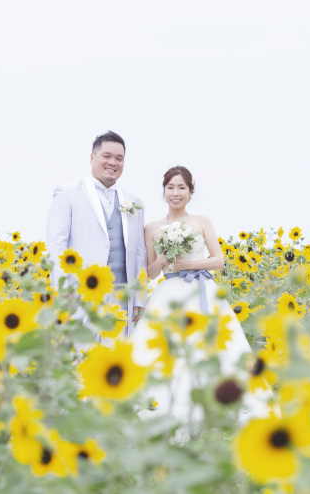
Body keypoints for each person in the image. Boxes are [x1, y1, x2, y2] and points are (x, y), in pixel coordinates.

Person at [130, 166, 270, 425]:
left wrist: (189, 264)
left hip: (201, 289)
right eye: (171, 187)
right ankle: (170, 413)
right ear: (164, 191)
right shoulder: (151, 228)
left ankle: (218, 409)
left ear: (190, 191)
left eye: (181, 187)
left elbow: (218, 260)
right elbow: (150, 273)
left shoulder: (202, 221)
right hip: (169, 293)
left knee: (214, 347)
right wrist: (163, 258)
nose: (176, 193)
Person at [46, 131, 147, 335]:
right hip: (80, 295)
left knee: (116, 354)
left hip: (121, 298)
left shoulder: (135, 203)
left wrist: (140, 297)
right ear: (92, 158)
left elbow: (139, 253)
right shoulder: (67, 194)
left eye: (119, 158)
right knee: (80, 351)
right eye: (106, 156)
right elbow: (56, 246)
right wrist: (62, 291)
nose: (113, 163)